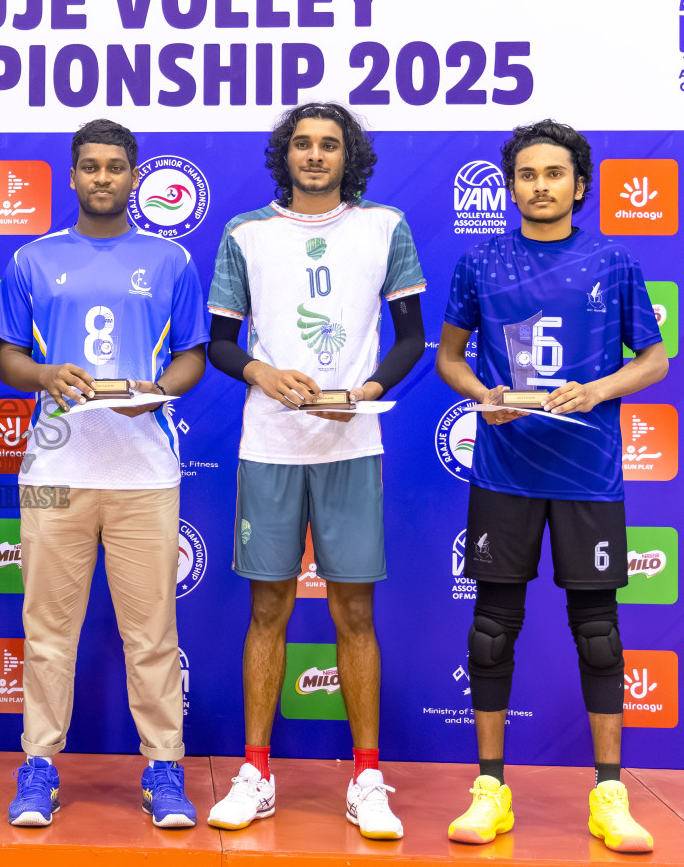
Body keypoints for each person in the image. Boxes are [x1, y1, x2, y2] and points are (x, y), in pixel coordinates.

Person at [436, 120, 666, 853]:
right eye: (527, 174)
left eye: (554, 173)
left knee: (598, 636)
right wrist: (482, 394)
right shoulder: (481, 262)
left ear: (580, 184)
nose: (541, 185)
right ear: (511, 186)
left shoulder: (612, 258)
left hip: (587, 474)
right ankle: (490, 790)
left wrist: (599, 389)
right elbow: (448, 358)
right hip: (504, 469)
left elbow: (653, 361)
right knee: (491, 629)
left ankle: (609, 793)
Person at [204, 102, 426, 839]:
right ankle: (256, 772)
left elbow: (411, 339)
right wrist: (262, 373)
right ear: (285, 154)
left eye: (329, 145)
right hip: (269, 444)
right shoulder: (246, 233)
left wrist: (366, 393)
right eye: (302, 143)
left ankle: (367, 777)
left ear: (347, 156)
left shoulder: (385, 227)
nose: (315, 155)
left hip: (351, 444)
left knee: (354, 612)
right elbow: (220, 346)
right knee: (268, 609)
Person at [0, 119, 209, 829]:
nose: (103, 178)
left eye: (116, 167)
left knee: (151, 635)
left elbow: (192, 357)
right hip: (56, 469)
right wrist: (47, 373)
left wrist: (156, 391)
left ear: (134, 175)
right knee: (48, 632)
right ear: (74, 173)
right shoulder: (32, 259)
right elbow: (7, 361)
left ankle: (164, 768)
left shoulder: (171, 259)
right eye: (90, 166)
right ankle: (38, 767)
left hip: (145, 472)